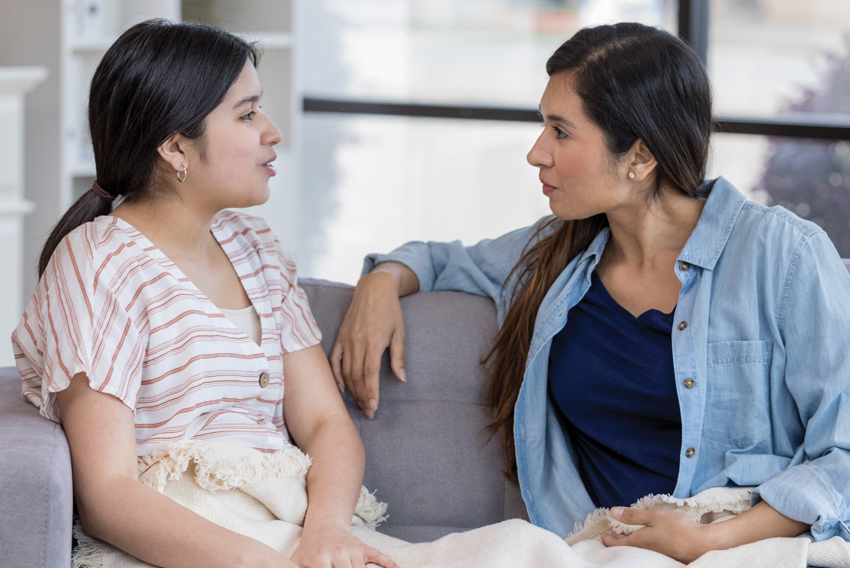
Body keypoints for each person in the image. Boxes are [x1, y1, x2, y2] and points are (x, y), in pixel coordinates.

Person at [331, 22, 850, 563]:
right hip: (599, 551)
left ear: (640, 158)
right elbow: (439, 260)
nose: (536, 153)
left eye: (561, 131)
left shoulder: (784, 255)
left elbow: (845, 451)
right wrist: (379, 282)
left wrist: (709, 541)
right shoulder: (552, 256)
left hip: (746, 546)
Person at [12, 20, 398, 568]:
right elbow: (107, 494)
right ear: (174, 147)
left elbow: (325, 423)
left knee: (523, 551)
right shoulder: (98, 263)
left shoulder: (257, 247)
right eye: (247, 114)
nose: (272, 131)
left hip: (294, 529)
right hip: (187, 544)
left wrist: (328, 535)